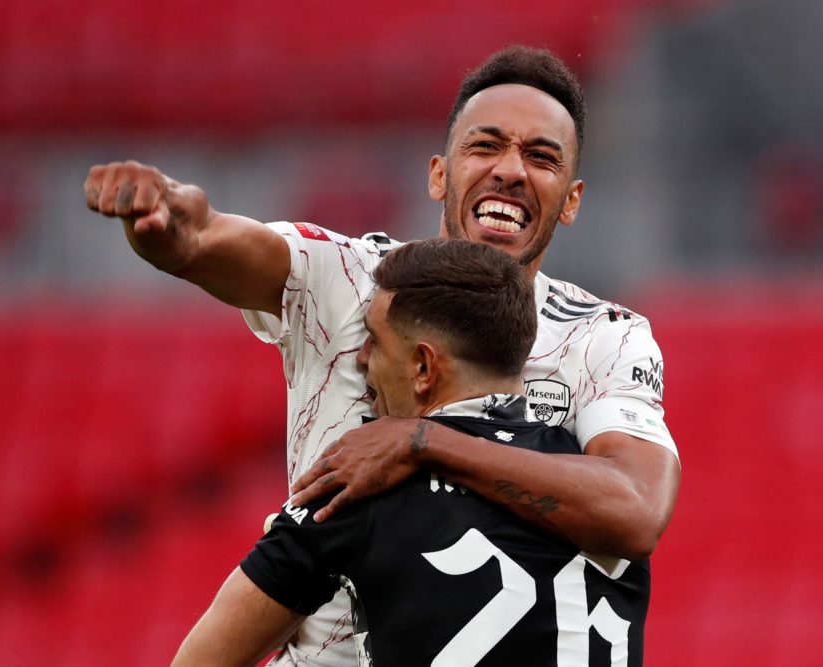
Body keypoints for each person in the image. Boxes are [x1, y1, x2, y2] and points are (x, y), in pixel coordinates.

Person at [83, 45, 680, 666]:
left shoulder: (605, 337)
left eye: (540, 156)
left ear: (573, 199)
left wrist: (418, 440)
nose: (510, 170)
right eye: (485, 146)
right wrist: (174, 222)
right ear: (439, 175)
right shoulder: (348, 277)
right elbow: (209, 240)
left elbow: (636, 510)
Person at [171, 239, 650, 666]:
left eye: (374, 341)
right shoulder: (596, 494)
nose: (361, 360)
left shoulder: (356, 487)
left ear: (423, 367)